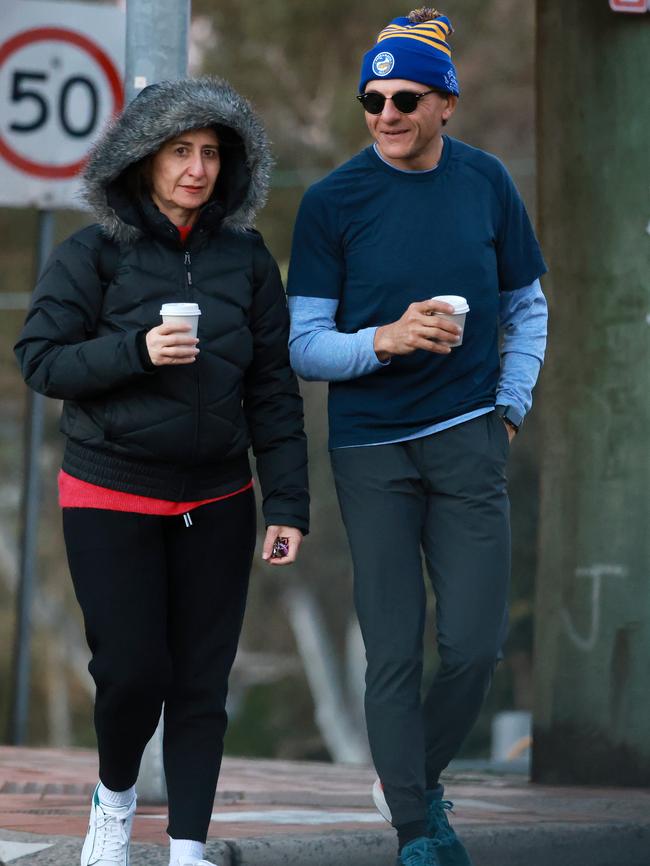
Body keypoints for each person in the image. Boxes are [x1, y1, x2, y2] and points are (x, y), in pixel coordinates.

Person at [15, 77, 308, 866]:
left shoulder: (246, 261)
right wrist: (136, 351)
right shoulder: (92, 255)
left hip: (219, 497)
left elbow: (275, 388)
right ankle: (113, 803)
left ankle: (187, 846)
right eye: (180, 150)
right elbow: (39, 360)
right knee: (133, 670)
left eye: (212, 152)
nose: (197, 168)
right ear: (141, 161)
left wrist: (287, 502)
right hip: (109, 492)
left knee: (202, 682)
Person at [287, 9, 547, 866]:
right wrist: (383, 340)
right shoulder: (333, 202)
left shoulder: (486, 183)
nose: (386, 113)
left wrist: (508, 404)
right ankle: (415, 830)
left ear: (446, 106)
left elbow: (526, 306)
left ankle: (412, 776)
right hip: (370, 450)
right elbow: (302, 342)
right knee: (391, 646)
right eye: (373, 99)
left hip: (470, 436)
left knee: (474, 644)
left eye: (405, 98)